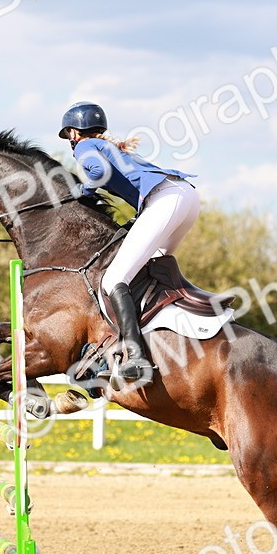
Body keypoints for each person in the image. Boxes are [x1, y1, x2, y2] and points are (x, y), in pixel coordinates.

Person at [59, 101, 199, 386]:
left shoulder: (86, 148)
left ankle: (136, 357)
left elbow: (97, 173)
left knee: (113, 280)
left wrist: (80, 191)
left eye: (69, 136)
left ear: (74, 133)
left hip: (165, 200)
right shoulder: (104, 145)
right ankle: (168, 333)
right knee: (147, 273)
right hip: (184, 196)